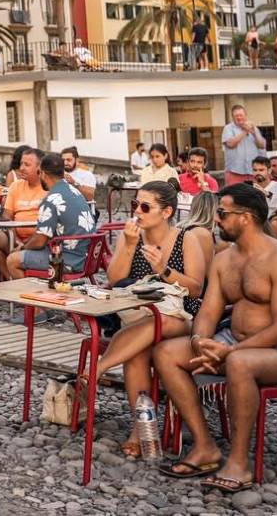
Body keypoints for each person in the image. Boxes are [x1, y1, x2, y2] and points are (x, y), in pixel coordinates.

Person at [153, 184, 277, 492]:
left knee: (240, 363)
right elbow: (208, 312)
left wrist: (230, 351)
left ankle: (239, 462)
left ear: (246, 217)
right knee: (165, 353)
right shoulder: (224, 259)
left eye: (223, 213)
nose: (216, 219)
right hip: (232, 341)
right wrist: (200, 342)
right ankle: (205, 446)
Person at [97, 180, 213, 457]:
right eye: (135, 204)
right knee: (138, 353)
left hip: (181, 315)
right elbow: (115, 279)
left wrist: (164, 269)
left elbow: (196, 288)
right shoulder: (131, 236)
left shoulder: (186, 239)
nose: (137, 211)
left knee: (164, 321)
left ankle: (99, 368)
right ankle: (142, 429)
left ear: (167, 212)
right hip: (140, 314)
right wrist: (128, 246)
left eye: (145, 206)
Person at [1, 153, 97, 281]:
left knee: (13, 260)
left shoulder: (51, 200)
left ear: (43, 174)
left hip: (66, 260)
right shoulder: (75, 192)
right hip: (86, 258)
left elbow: (40, 241)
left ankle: (30, 294)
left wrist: (22, 248)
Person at [0, 148, 44, 274]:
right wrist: (15, 239)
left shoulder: (47, 186)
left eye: (27, 165)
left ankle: (17, 275)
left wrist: (27, 243)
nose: (21, 168)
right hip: (15, 237)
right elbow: (7, 216)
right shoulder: (16, 186)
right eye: (21, 163)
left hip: (40, 239)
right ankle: (10, 275)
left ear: (40, 167)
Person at [221, 105, 266, 186]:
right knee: (234, 194)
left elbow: (262, 145)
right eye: (236, 116)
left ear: (245, 116)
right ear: (232, 117)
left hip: (253, 172)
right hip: (234, 172)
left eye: (241, 115)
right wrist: (245, 131)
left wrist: (254, 133)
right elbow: (230, 144)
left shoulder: (254, 128)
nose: (239, 117)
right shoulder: (228, 128)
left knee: (255, 193)